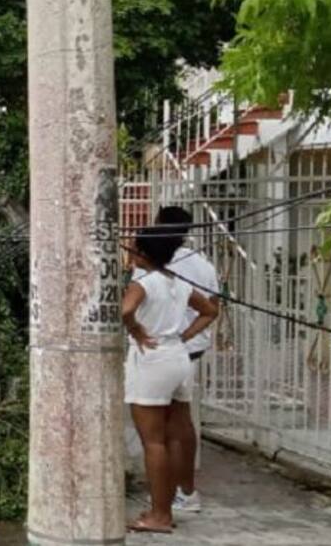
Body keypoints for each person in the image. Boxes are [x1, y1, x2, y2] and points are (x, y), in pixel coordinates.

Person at [123, 225, 220, 534]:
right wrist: (184, 334)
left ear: (144, 253)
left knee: (153, 441)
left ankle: (159, 515)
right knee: (176, 432)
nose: (129, 250)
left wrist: (136, 330)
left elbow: (125, 311)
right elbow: (209, 311)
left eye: (133, 247)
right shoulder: (177, 282)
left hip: (152, 360)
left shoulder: (144, 283)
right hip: (177, 356)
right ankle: (177, 498)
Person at [153, 205, 220, 514]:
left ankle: (166, 499)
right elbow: (212, 308)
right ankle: (186, 491)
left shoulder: (156, 260)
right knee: (182, 421)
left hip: (163, 349)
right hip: (190, 350)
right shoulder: (203, 265)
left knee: (162, 428)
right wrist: (187, 336)